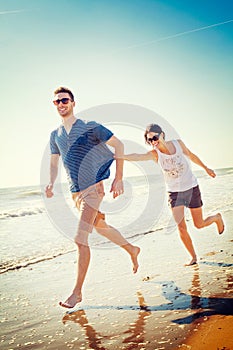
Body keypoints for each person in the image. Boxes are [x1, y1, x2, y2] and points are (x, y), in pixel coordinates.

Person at [45, 87, 140, 308]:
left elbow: (118, 145)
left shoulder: (89, 127)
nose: (61, 104)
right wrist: (51, 181)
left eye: (64, 100)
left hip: (93, 189)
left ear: (73, 102)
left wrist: (119, 178)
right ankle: (132, 249)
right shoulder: (55, 135)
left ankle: (77, 293)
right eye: (57, 101)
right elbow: (53, 163)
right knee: (101, 227)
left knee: (80, 239)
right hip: (75, 192)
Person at [123, 123, 224, 266]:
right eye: (149, 140)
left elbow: (192, 156)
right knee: (181, 227)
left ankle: (216, 218)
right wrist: (120, 156)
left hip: (191, 188)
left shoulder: (178, 144)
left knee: (199, 224)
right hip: (175, 193)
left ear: (162, 134)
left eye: (155, 138)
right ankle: (193, 257)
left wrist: (206, 168)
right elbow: (138, 156)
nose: (153, 142)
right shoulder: (154, 154)